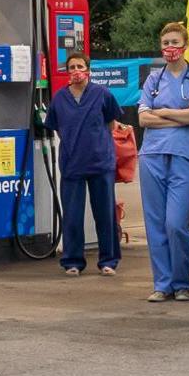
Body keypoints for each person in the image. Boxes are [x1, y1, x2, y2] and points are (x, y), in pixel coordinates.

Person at [137, 24, 189, 303]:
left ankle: (182, 281)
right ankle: (163, 284)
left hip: (184, 155)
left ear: (186, 44)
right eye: (165, 42)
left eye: (175, 42)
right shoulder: (154, 80)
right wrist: (182, 113)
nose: (170, 47)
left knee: (175, 223)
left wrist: (164, 112)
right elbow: (143, 119)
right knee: (155, 223)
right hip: (152, 155)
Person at [48, 53, 123, 276]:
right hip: (72, 164)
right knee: (72, 214)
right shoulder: (59, 99)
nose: (76, 70)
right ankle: (72, 261)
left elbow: (111, 123)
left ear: (88, 69)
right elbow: (57, 127)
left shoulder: (102, 94)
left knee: (105, 214)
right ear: (67, 71)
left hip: (101, 162)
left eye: (80, 66)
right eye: (71, 67)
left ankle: (108, 261)